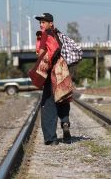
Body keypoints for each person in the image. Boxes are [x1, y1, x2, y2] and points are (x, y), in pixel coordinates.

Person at [35, 13, 72, 145]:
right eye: (40, 22)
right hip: (63, 71)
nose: (41, 24)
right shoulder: (58, 34)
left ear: (51, 23)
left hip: (51, 73)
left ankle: (51, 138)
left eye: (44, 22)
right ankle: (65, 121)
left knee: (48, 104)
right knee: (62, 98)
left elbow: (43, 55)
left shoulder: (45, 34)